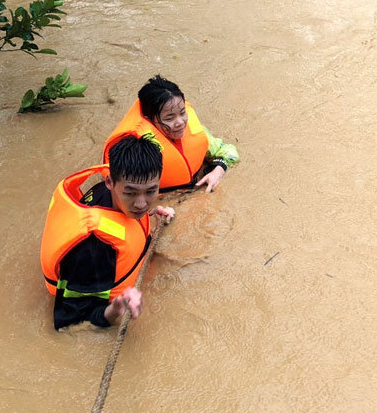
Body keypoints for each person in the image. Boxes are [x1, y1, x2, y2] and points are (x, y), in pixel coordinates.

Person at [40, 134, 175, 330]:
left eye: (151, 192)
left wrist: (153, 213)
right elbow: (69, 322)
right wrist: (115, 308)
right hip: (90, 273)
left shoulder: (111, 194)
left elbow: (125, 220)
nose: (141, 203)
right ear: (110, 181)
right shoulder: (95, 249)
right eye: (130, 193)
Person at [103, 75, 239, 193]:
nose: (180, 122)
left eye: (182, 112)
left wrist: (219, 169)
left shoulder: (190, 127)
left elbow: (228, 151)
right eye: (169, 118)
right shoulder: (137, 148)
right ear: (149, 119)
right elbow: (123, 194)